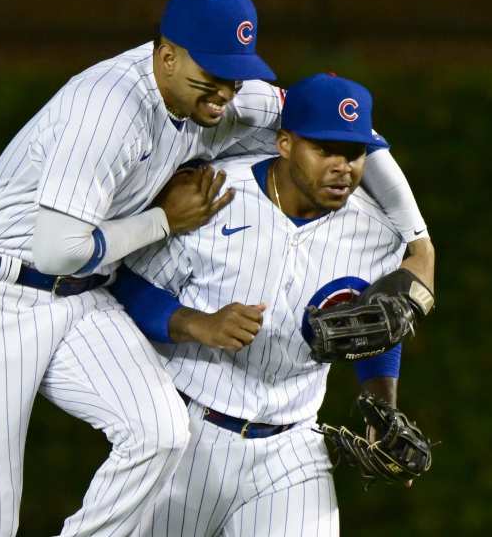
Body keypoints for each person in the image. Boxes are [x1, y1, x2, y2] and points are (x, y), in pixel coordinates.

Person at [0, 0, 431, 537]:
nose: (225, 95)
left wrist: (418, 241)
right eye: (210, 78)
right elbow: (56, 248)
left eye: (233, 77)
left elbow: (356, 133)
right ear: (166, 54)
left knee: (159, 431)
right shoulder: (107, 110)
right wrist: (163, 222)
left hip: (82, 295)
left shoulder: (217, 94)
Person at [110, 73, 418, 536]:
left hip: (293, 447)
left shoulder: (377, 233)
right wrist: (195, 323)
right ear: (286, 143)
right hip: (188, 434)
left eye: (353, 154)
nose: (342, 167)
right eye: (325, 149)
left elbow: (376, 326)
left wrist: (382, 406)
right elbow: (127, 287)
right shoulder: (214, 194)